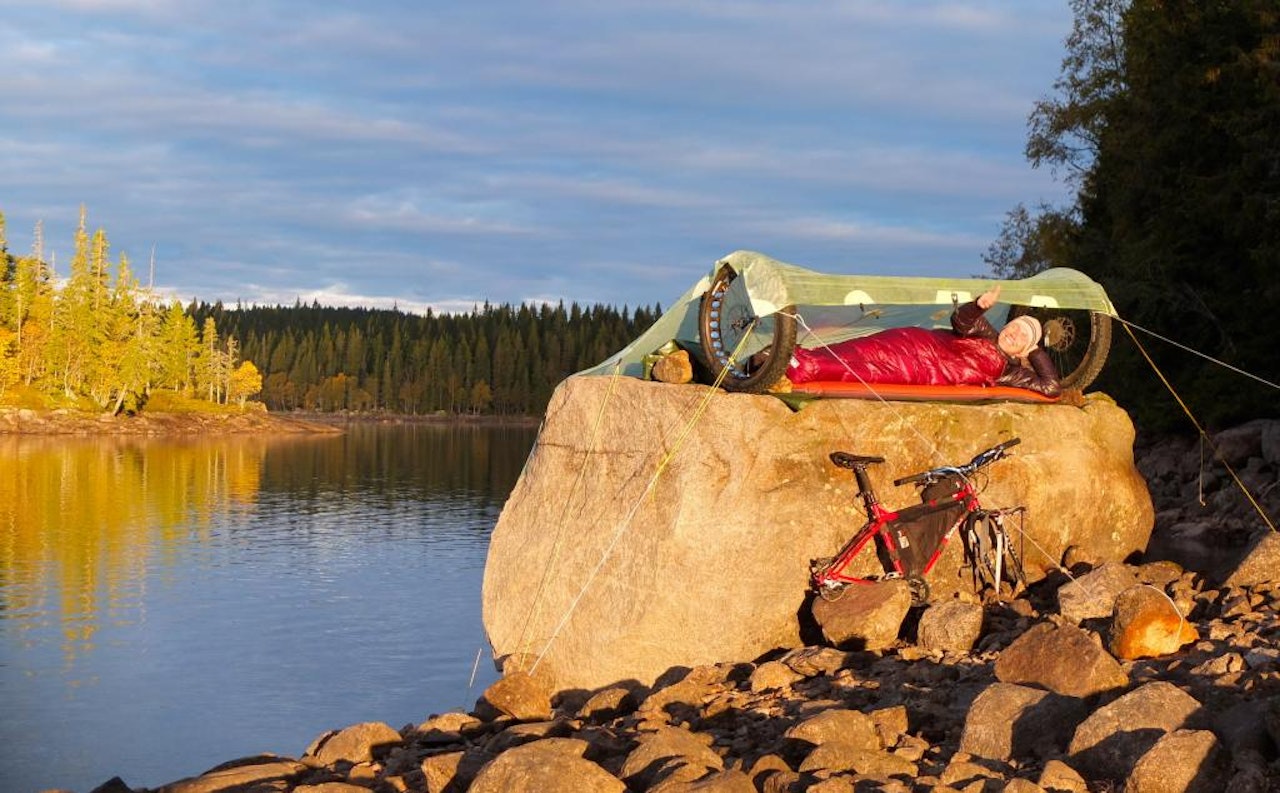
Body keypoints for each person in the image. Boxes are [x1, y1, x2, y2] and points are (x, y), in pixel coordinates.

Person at [781, 285, 1062, 397]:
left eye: (1021, 337)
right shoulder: (985, 331)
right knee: (858, 349)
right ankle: (786, 356)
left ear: (1026, 348)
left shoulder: (1012, 373)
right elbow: (961, 321)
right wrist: (978, 305)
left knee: (865, 370)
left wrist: (1035, 347)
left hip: (922, 373)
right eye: (1014, 327)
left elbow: (1051, 386)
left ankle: (799, 365)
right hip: (915, 343)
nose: (1013, 333)